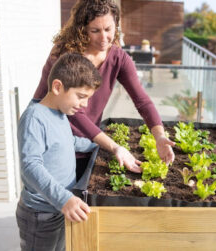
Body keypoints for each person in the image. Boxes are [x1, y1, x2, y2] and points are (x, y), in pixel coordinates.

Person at [33, 0, 175, 181]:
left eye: (108, 29)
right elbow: (75, 113)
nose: (104, 38)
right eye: (95, 31)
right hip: (52, 138)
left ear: (116, 24)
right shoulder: (66, 56)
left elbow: (142, 101)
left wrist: (160, 136)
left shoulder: (118, 58)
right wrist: (114, 146)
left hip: (85, 141)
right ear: (82, 29)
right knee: (57, 201)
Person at [16, 53, 102, 251]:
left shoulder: (60, 113)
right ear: (57, 87)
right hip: (40, 215)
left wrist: (95, 146)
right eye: (81, 96)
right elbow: (30, 166)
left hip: (59, 207)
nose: (85, 104)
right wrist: (64, 199)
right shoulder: (34, 118)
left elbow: (67, 142)